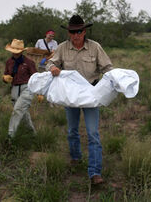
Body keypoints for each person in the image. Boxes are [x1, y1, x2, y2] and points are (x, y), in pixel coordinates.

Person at [45, 15, 113, 185]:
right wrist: (53, 67)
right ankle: (75, 158)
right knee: (72, 131)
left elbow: (108, 67)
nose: (76, 35)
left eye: (79, 31)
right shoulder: (62, 48)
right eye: (72, 32)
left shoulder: (95, 47)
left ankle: (95, 172)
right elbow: (49, 62)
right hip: (70, 96)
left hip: (91, 94)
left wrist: (114, 80)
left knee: (93, 134)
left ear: (84, 31)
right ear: (68, 32)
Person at [3, 39, 37, 140]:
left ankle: (10, 136)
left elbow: (35, 77)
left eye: (17, 51)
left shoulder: (29, 62)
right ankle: (32, 134)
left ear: (22, 51)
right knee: (23, 112)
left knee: (17, 110)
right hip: (14, 89)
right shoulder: (9, 62)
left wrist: (40, 93)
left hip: (27, 88)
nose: (15, 53)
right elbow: (5, 75)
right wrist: (5, 78)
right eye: (13, 51)